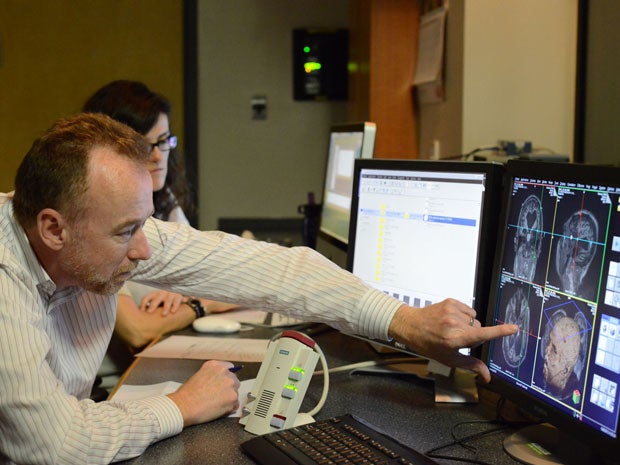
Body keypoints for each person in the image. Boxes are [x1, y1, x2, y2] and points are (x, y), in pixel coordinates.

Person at [0, 112, 517, 464]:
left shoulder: (98, 231)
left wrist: (404, 322)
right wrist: (181, 406)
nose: (144, 252)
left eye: (144, 224)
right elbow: (55, 445)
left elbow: (268, 269)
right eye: (125, 232)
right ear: (52, 229)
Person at [82, 81, 238, 388]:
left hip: (152, 365)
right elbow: (138, 330)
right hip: (108, 386)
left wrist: (184, 292)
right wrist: (201, 305)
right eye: (143, 145)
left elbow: (210, 275)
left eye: (164, 141)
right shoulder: (97, 217)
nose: (157, 157)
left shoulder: (165, 201)